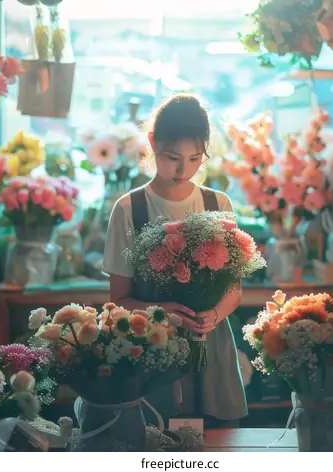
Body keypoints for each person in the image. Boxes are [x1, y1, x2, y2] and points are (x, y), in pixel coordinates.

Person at [102, 93, 247, 428]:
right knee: (155, 440)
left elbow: (234, 290)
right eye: (172, 157)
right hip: (152, 351)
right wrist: (162, 311)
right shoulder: (130, 209)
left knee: (219, 444)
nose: (184, 169)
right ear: (152, 143)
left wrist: (213, 314)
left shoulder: (217, 203)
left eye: (196, 158)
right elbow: (118, 299)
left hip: (212, 346)